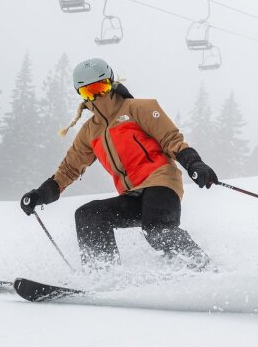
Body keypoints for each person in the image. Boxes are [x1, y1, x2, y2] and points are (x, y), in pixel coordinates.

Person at [20, 57, 219, 271]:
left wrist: (194, 164)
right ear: (81, 95)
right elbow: (69, 169)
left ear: (111, 83)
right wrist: (40, 194)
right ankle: (104, 275)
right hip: (132, 194)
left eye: (100, 87)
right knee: (88, 215)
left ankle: (204, 268)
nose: (96, 96)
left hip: (161, 184)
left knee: (156, 230)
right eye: (88, 92)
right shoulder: (89, 131)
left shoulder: (138, 108)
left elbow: (171, 139)